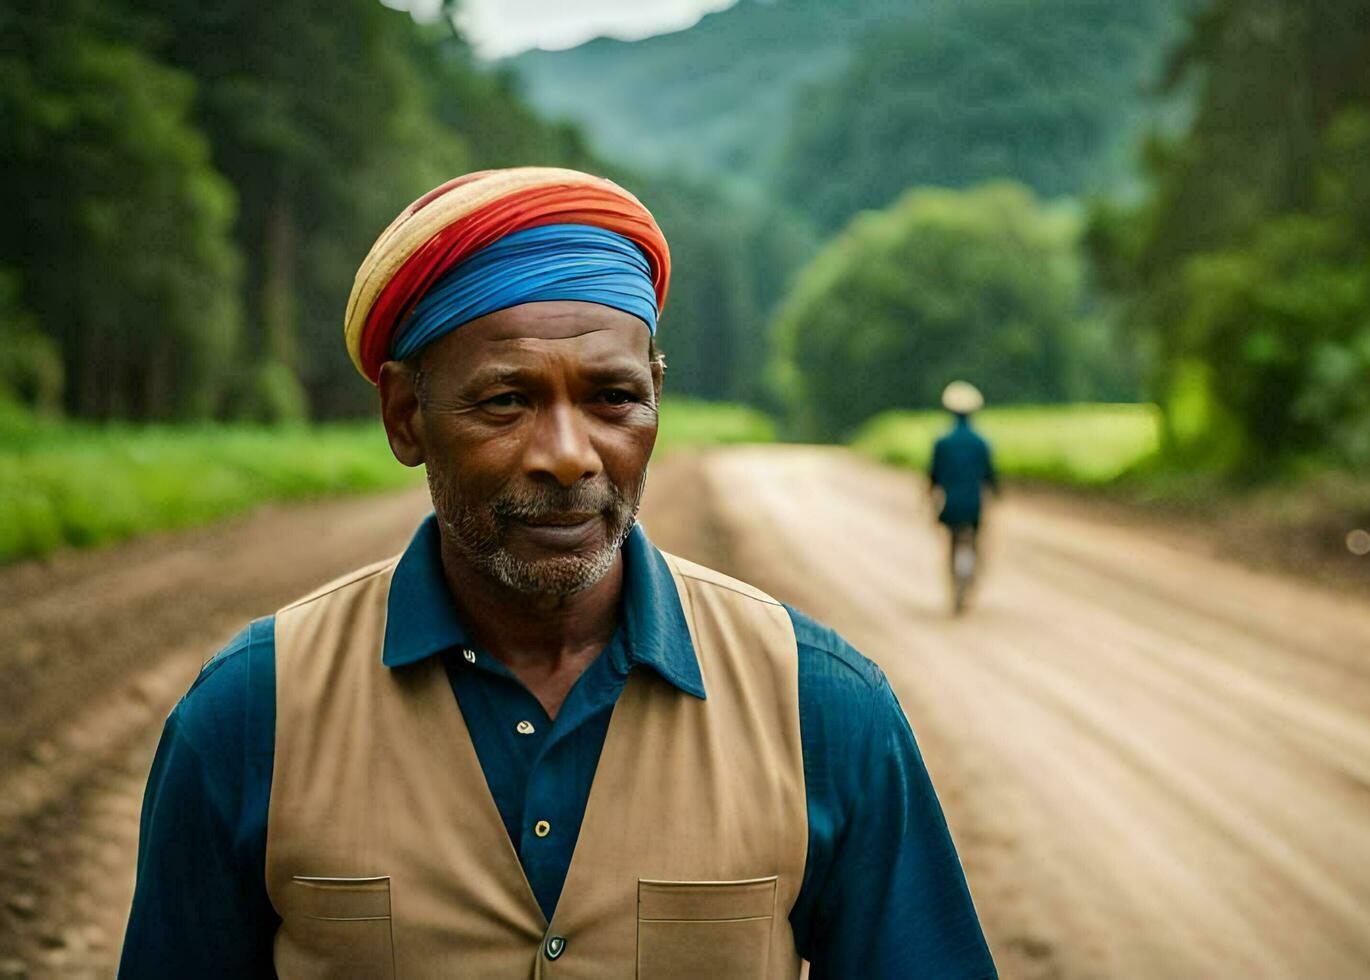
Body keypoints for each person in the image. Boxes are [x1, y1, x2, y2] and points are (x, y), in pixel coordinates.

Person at [119, 168, 996, 978]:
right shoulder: (249, 714)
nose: (571, 458)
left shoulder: (824, 710)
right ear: (405, 416)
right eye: (506, 400)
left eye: (613, 399)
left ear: (655, 399)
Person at [930, 381, 1000, 614]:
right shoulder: (981, 443)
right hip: (973, 504)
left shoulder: (942, 442)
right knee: (974, 539)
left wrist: (930, 495)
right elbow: (990, 475)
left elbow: (934, 476)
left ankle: (954, 585)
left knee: (953, 541)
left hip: (951, 504)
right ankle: (969, 584)